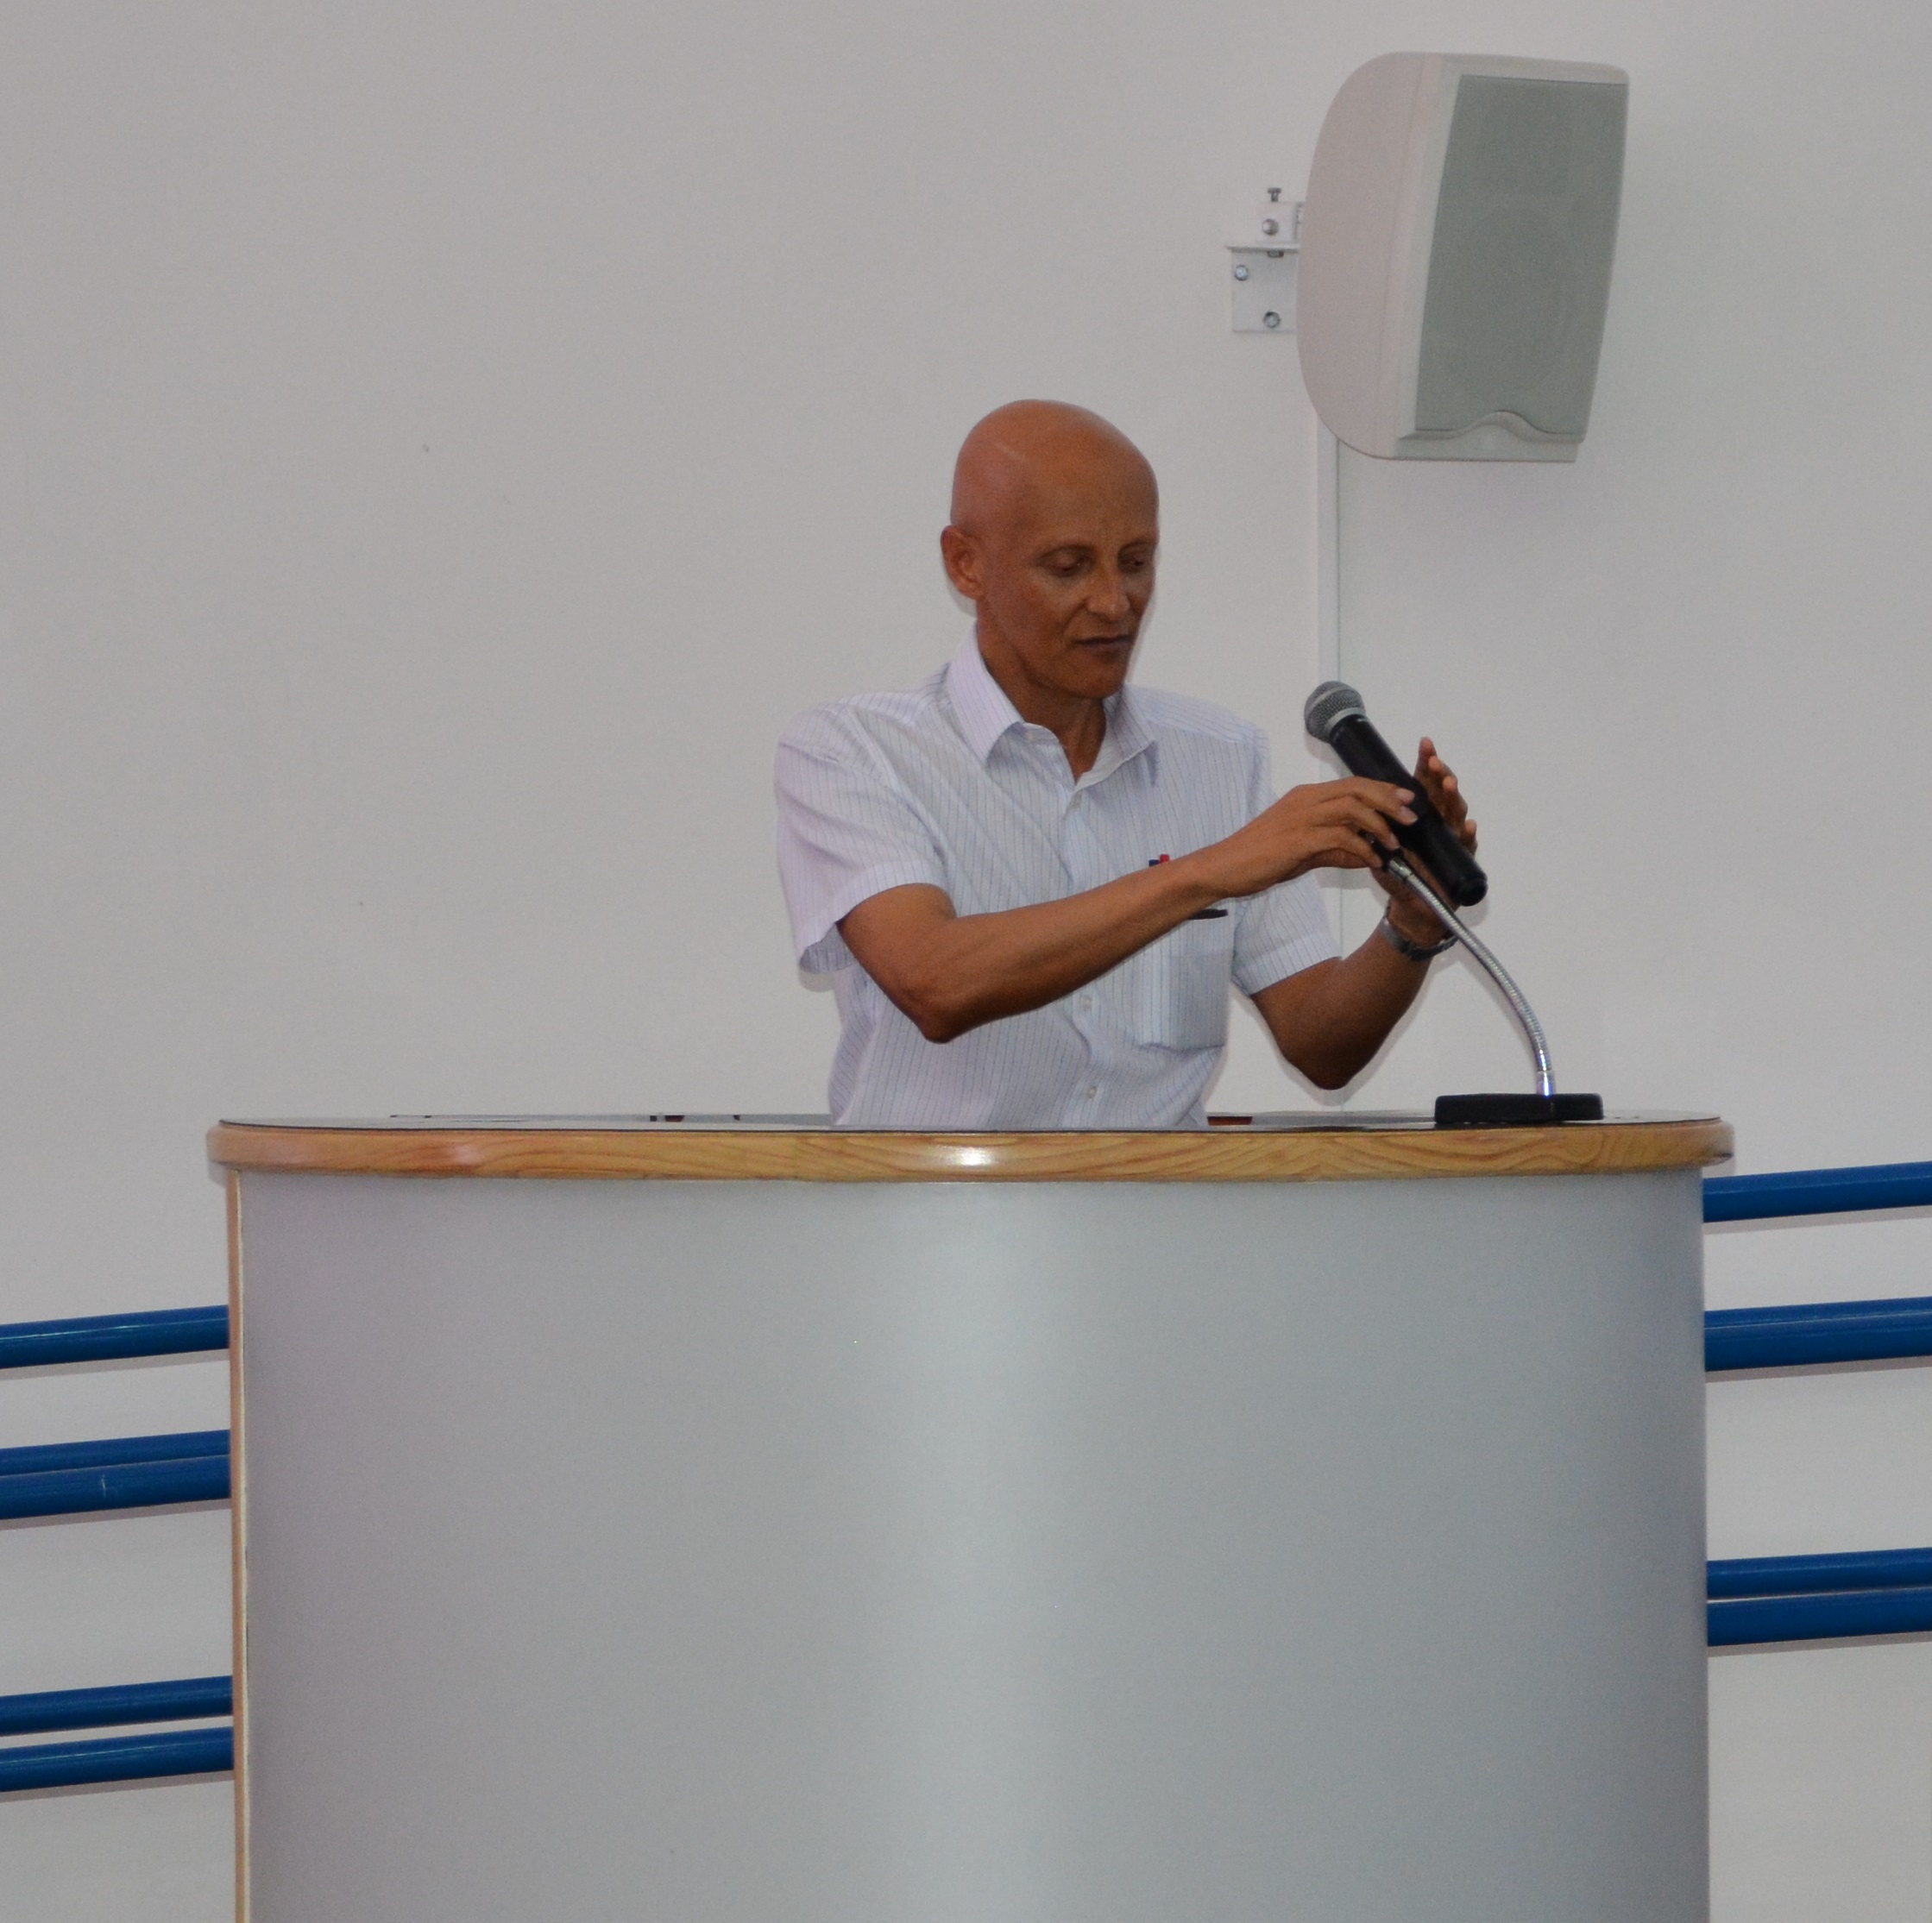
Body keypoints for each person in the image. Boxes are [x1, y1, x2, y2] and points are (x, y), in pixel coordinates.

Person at [774, 400, 1476, 1128]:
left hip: (1162, 1197)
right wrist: (1209, 870)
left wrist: (1411, 922)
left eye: (1136, 562)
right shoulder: (855, 750)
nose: (1115, 602)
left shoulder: (1219, 755)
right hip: (944, 1199)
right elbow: (934, 983)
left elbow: (1321, 1046)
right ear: (965, 563)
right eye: (1068, 566)